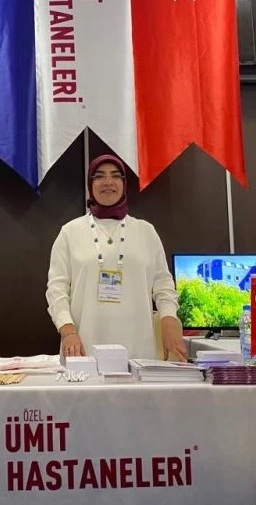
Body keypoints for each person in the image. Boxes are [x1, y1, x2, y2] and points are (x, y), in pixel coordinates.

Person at [46, 154, 186, 361]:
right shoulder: (70, 231)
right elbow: (56, 289)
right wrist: (67, 331)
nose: (108, 182)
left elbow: (163, 285)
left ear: (124, 183)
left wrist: (169, 320)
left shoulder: (146, 231)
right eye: (99, 176)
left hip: (138, 350)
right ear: (90, 184)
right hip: (82, 349)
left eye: (115, 175)